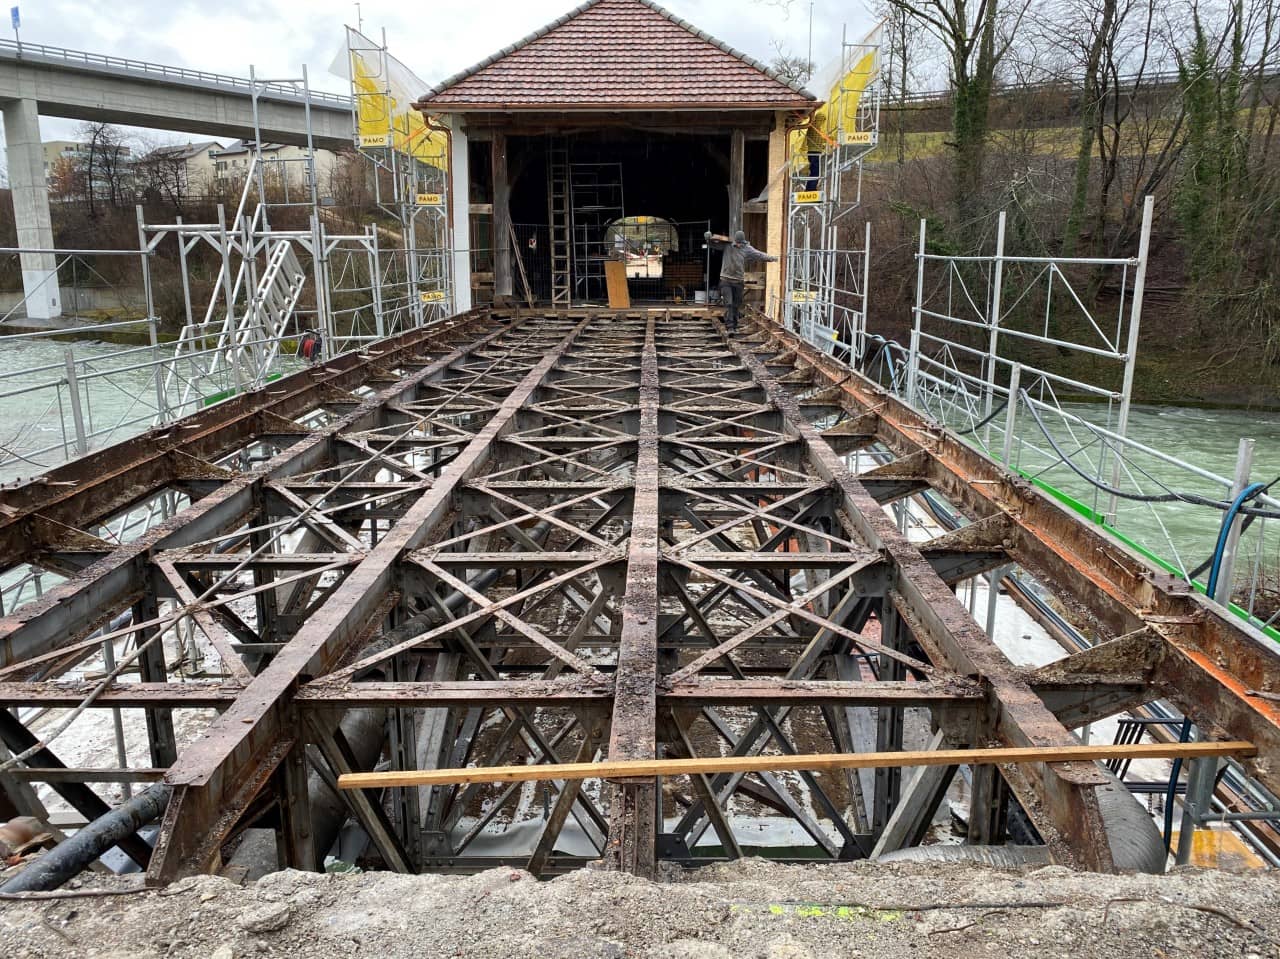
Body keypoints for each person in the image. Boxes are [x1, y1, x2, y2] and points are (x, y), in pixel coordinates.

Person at [704, 230, 778, 333]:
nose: (738, 245)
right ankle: (730, 327)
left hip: (738, 282)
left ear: (743, 242)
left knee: (736, 304)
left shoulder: (747, 249)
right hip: (725, 280)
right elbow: (713, 244)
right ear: (735, 241)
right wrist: (708, 238)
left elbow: (759, 255)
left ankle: (734, 325)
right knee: (729, 303)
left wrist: (772, 258)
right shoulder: (727, 245)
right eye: (737, 243)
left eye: (740, 243)